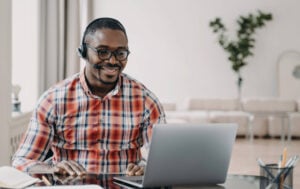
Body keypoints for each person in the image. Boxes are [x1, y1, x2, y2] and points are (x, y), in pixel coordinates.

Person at [12, 17, 166, 176]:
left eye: (120, 53)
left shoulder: (146, 101)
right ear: (83, 52)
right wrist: (52, 169)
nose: (112, 61)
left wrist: (146, 170)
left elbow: (165, 163)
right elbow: (21, 162)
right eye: (103, 52)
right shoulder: (53, 100)